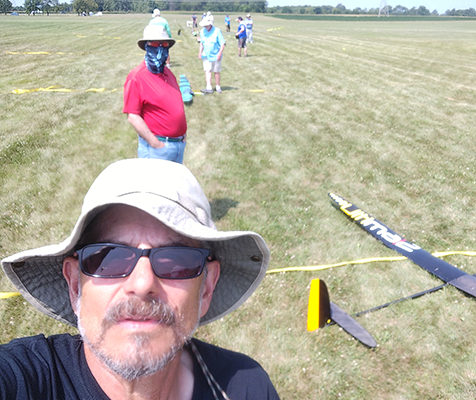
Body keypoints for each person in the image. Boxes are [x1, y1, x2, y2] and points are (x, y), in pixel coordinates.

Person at [0, 158, 280, 400]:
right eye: (108, 257)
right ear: (75, 286)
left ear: (206, 288)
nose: (142, 283)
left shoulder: (246, 387)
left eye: (176, 261)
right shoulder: (24, 379)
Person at [123, 25, 187, 164]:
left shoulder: (168, 73)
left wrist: (182, 135)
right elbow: (133, 116)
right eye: (154, 43)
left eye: (164, 44)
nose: (160, 47)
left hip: (178, 146)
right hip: (157, 150)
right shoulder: (137, 77)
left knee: (174, 186)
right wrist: (155, 143)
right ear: (147, 46)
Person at [197, 15, 225, 94]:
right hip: (206, 55)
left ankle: (218, 86)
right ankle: (208, 87)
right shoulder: (202, 31)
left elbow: (222, 43)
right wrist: (200, 52)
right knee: (207, 70)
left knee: (216, 71)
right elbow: (202, 43)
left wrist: (219, 53)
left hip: (216, 55)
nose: (205, 26)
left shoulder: (217, 31)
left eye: (206, 25)